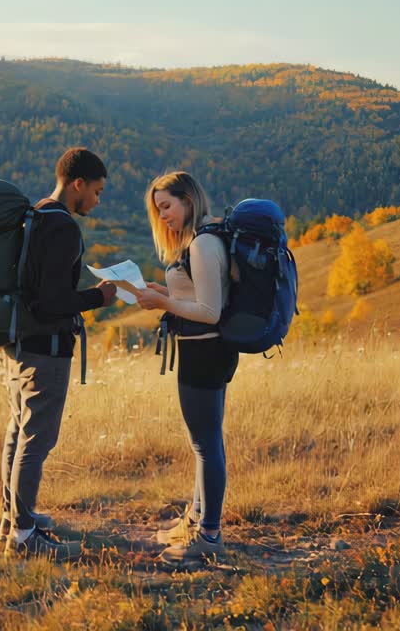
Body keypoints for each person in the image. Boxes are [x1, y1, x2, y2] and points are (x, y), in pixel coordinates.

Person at [0, 147, 117, 560]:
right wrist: (98, 297)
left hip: (18, 344)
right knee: (37, 439)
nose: (97, 202)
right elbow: (51, 301)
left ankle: (13, 518)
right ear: (78, 184)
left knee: (18, 432)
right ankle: (25, 535)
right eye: (97, 192)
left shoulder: (37, 213)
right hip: (45, 349)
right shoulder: (64, 227)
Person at [133, 171, 239, 565]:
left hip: (206, 351)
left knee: (206, 445)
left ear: (188, 201)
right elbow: (195, 296)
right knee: (204, 442)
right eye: (157, 210)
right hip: (202, 350)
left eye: (167, 206)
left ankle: (209, 536)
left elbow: (210, 312)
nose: (162, 216)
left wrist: (163, 304)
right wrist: (160, 292)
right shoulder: (197, 243)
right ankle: (195, 520)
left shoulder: (204, 244)